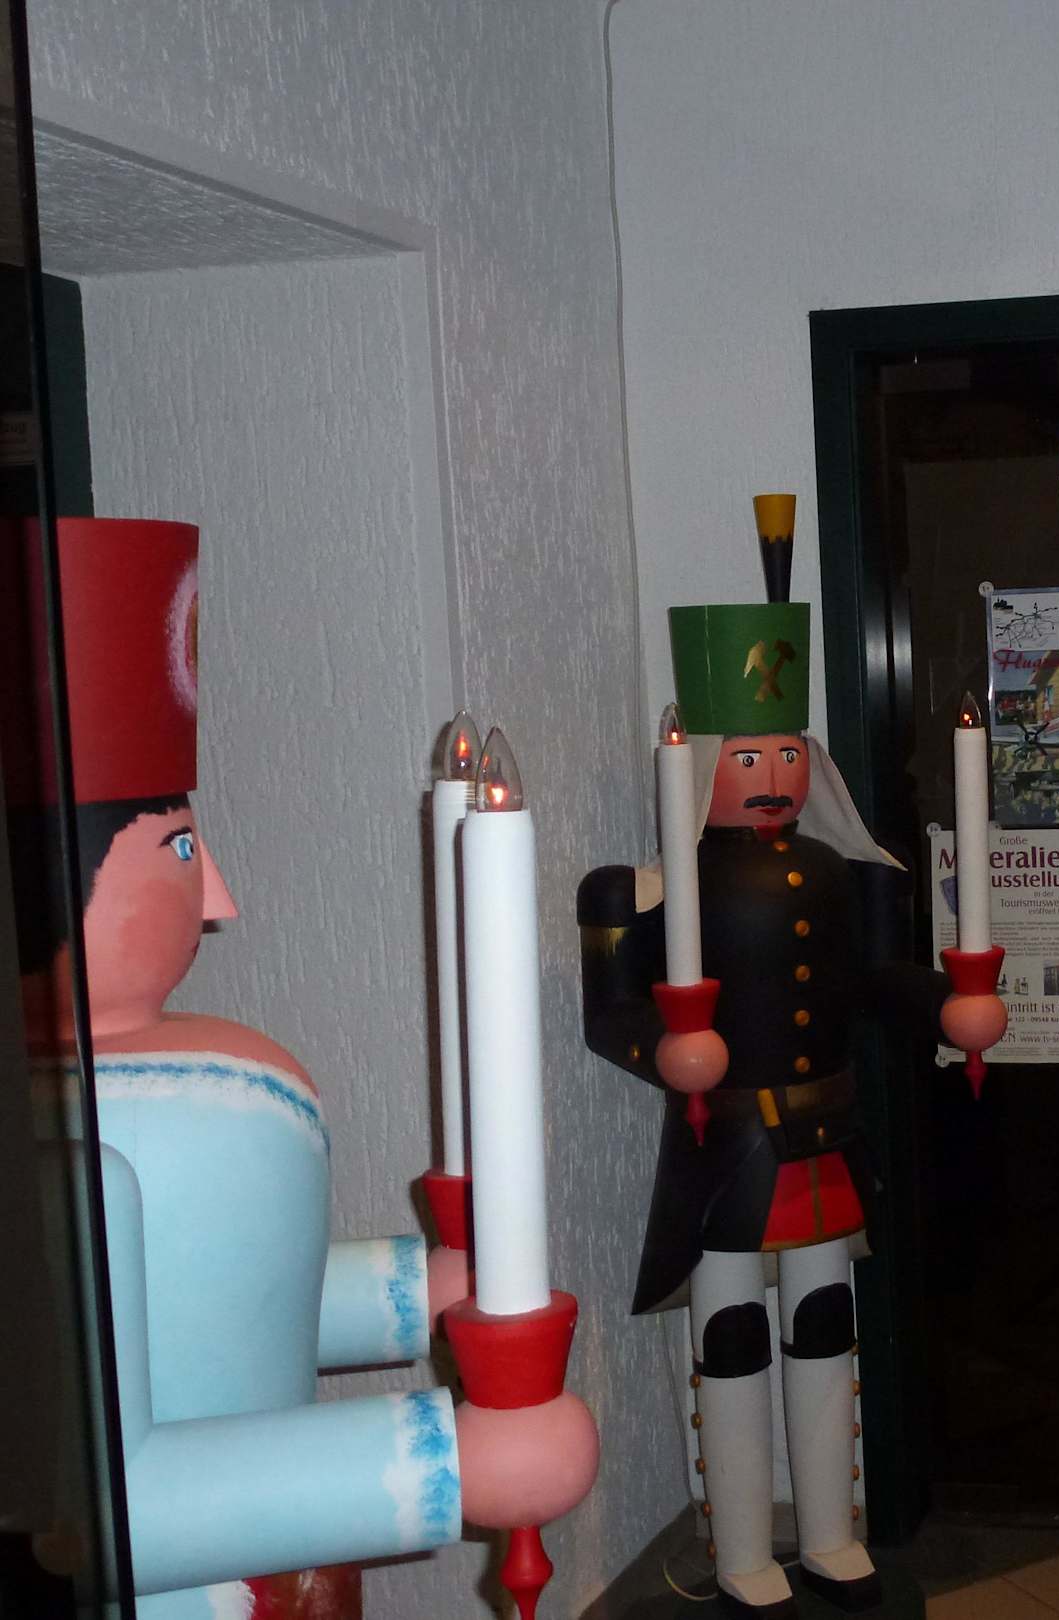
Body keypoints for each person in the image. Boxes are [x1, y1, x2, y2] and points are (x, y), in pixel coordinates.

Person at [6, 519, 592, 1620]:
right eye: (181, 850)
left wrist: (427, 1291)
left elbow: (241, 1311)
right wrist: (451, 1465)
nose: (219, 901)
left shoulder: (183, 1100)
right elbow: (105, 1501)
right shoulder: (76, 1143)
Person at [578, 507, 1003, 1618]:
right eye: (748, 755)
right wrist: (664, 1050)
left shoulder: (844, 870)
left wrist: (949, 1006)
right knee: (728, 1333)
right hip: (728, 1148)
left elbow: (873, 981)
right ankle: (740, 1552)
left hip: (829, 1131)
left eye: (785, 754)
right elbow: (609, 1014)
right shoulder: (637, 892)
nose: (771, 773)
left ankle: (830, 1536)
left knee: (825, 1324)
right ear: (699, 766)